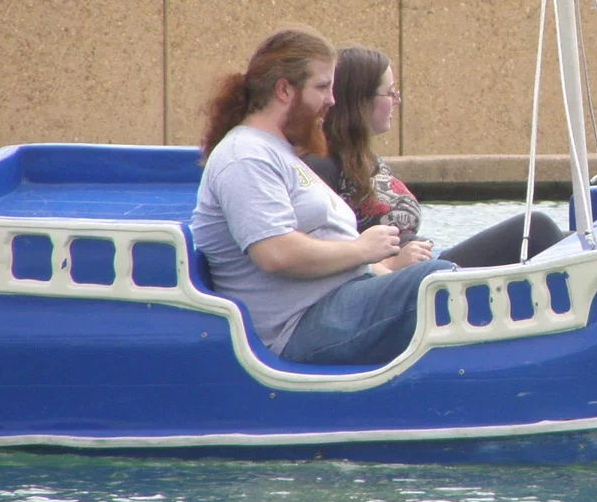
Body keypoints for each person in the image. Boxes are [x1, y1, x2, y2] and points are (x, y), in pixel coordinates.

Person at [190, 27, 456, 368]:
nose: (332, 100)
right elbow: (275, 253)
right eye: (321, 87)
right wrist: (362, 249)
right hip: (299, 327)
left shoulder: (278, 151)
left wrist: (378, 266)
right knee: (436, 282)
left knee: (452, 274)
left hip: (338, 303)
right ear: (284, 89)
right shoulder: (245, 156)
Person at [304, 44, 566, 269]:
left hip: (427, 262)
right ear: (360, 100)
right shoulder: (321, 165)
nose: (397, 101)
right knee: (536, 229)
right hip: (406, 284)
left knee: (569, 237)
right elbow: (312, 250)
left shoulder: (363, 157)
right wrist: (387, 265)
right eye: (390, 93)